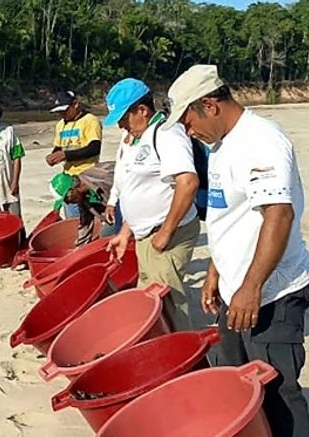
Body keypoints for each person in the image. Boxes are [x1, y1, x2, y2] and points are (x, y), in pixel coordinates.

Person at [165, 65, 309, 437]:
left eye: (188, 120)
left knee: (278, 391)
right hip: (236, 293)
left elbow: (278, 215)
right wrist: (216, 273)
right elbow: (226, 216)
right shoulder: (219, 147)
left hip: (273, 295)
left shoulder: (260, 141)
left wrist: (251, 287)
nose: (187, 131)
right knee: (236, 381)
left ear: (209, 105)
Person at [103, 78, 201, 332]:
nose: (122, 125)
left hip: (168, 234)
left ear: (143, 111)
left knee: (168, 302)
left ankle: (184, 355)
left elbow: (188, 183)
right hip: (146, 234)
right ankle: (158, 343)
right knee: (149, 295)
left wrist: (166, 232)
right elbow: (137, 188)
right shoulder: (136, 138)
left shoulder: (167, 134)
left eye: (124, 118)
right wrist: (126, 231)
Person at [46, 90, 103, 218]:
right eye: (59, 112)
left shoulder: (90, 120)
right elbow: (59, 147)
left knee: (87, 217)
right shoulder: (61, 125)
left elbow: (94, 148)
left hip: (87, 177)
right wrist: (53, 156)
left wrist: (66, 155)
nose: (62, 114)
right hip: (68, 178)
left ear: (75, 104)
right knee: (73, 217)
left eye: (65, 110)